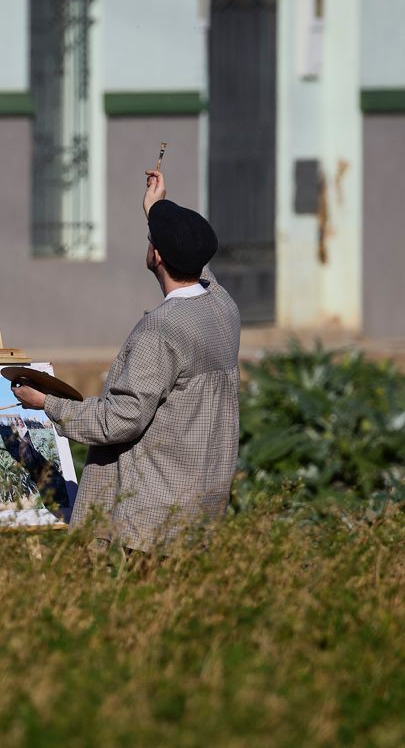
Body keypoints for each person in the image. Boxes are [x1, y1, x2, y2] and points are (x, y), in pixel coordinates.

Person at [13, 169, 240, 551]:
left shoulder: (162, 330)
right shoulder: (222, 306)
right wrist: (155, 208)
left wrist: (47, 405)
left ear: (156, 255)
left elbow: (120, 420)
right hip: (201, 503)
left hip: (152, 517)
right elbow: (199, 266)